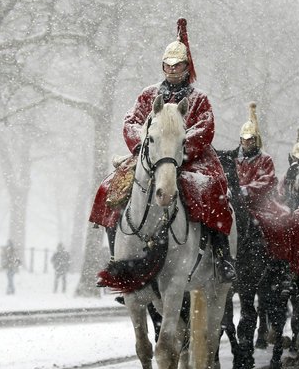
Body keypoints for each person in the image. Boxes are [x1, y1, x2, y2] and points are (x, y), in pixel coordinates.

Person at [89, 18, 234, 281]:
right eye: (167, 66)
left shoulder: (198, 99)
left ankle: (222, 256)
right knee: (112, 189)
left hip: (191, 160)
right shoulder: (148, 95)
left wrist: (178, 147)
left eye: (177, 66)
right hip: (150, 156)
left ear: (185, 67)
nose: (172, 70)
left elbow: (205, 127)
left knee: (214, 193)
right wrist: (147, 146)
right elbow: (131, 122)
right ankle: (116, 257)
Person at [222, 102, 294, 369]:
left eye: (250, 139)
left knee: (278, 223)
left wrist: (244, 191)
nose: (246, 143)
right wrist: (231, 193)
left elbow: (267, 182)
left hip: (258, 205)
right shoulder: (234, 159)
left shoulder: (264, 159)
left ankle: (279, 265)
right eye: (243, 139)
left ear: (257, 141)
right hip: (235, 206)